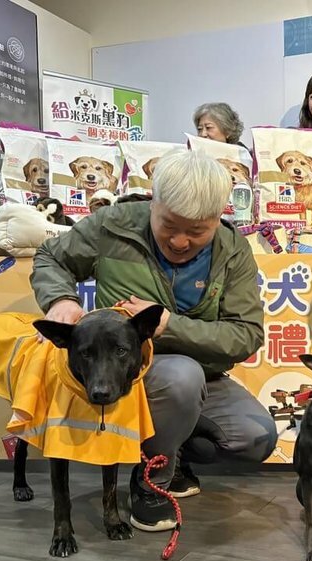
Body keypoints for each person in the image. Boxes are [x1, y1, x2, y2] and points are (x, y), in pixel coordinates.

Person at [30, 151, 278, 532]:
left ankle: (171, 453)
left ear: (218, 218)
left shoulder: (232, 250)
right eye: (169, 225)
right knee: (181, 376)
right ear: (153, 203)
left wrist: (170, 325)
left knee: (254, 437)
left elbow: (246, 334)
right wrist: (60, 299)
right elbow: (50, 258)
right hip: (123, 374)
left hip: (203, 380)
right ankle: (151, 481)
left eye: (197, 231)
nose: (179, 241)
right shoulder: (113, 225)